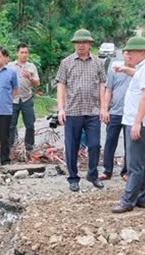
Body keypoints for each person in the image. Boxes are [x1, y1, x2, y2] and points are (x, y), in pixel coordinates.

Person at [111, 36, 145, 214]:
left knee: (135, 164)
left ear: (140, 52)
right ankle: (142, 198)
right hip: (142, 122)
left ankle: (128, 200)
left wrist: (137, 122)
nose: (128, 55)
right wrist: (126, 70)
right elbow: (139, 77)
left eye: (130, 52)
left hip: (138, 122)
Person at [55, 29, 107, 192]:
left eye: (84, 42)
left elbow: (102, 85)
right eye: (78, 42)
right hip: (72, 111)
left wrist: (103, 107)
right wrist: (60, 109)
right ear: (74, 44)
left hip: (92, 111)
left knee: (94, 145)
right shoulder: (66, 62)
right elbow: (61, 85)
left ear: (90, 44)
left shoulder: (98, 63)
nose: (81, 45)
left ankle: (92, 174)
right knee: (72, 146)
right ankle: (73, 178)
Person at [100, 49, 133, 180]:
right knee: (110, 142)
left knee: (129, 144)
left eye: (131, 53)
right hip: (115, 112)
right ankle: (107, 170)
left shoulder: (138, 70)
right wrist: (105, 109)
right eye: (126, 53)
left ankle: (126, 171)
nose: (129, 55)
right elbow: (108, 91)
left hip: (131, 114)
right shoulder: (115, 69)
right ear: (123, 54)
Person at [8, 44, 40, 153]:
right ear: (17, 53)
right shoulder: (10, 66)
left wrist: (30, 77)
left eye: (26, 52)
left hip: (27, 98)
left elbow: (37, 84)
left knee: (30, 125)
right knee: (11, 125)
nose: (24, 54)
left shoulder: (31, 66)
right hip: (13, 99)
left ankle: (29, 147)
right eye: (22, 52)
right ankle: (10, 147)